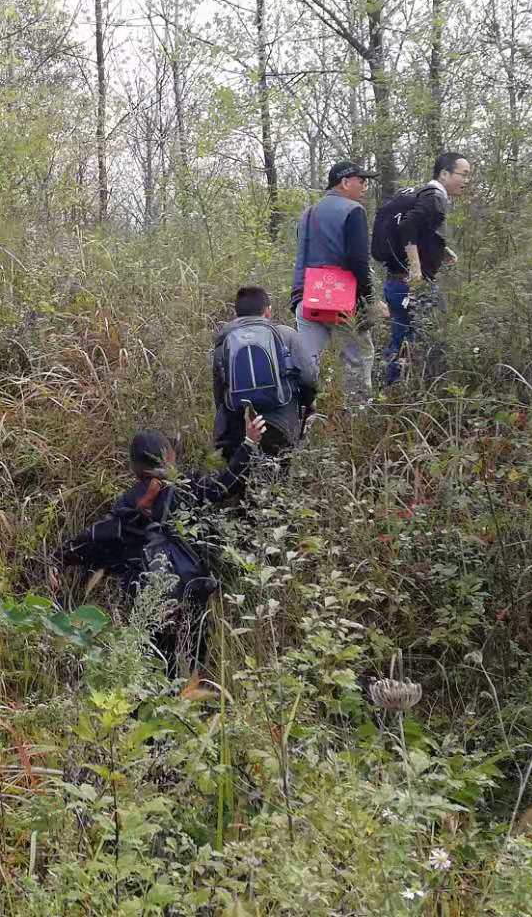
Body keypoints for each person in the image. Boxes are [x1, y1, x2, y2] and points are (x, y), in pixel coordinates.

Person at [51, 419, 266, 680]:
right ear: (167, 456)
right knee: (192, 665)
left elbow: (94, 538)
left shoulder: (128, 503)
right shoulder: (187, 487)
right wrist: (249, 443)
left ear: (135, 467)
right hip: (191, 593)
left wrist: (57, 560)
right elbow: (225, 486)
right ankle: (187, 711)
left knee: (151, 671)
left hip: (149, 602)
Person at [291, 162, 391, 398]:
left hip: (307, 300)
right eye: (361, 181)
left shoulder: (308, 213)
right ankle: (357, 420)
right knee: (358, 359)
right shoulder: (352, 210)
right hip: (342, 304)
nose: (365, 186)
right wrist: (369, 301)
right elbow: (358, 260)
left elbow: (303, 255)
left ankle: (301, 419)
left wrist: (296, 299)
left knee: (307, 367)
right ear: (345, 183)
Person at [374, 152, 472, 384]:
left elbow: (420, 231)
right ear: (445, 174)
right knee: (433, 334)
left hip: (395, 282)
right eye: (464, 175)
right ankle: (415, 390)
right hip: (413, 285)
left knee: (401, 340)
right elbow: (408, 226)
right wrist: (416, 269)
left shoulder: (422, 195)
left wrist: (441, 250)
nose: (466, 181)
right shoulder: (435, 197)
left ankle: (391, 390)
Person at [213, 286, 319, 458]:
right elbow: (309, 378)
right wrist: (307, 404)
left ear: (237, 313)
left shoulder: (224, 341)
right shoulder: (286, 335)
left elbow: (219, 395)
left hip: (238, 428)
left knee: (238, 476)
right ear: (268, 311)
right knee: (280, 472)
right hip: (280, 425)